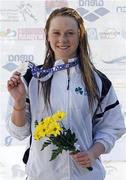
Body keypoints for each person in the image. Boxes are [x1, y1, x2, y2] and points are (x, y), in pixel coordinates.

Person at [6, 7, 125, 180]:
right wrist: (18, 102)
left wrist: (92, 153)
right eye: (56, 33)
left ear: (80, 35)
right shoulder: (31, 78)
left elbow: (112, 127)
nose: (63, 39)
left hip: (86, 176)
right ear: (47, 34)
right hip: (41, 176)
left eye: (70, 33)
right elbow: (19, 133)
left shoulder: (98, 81)